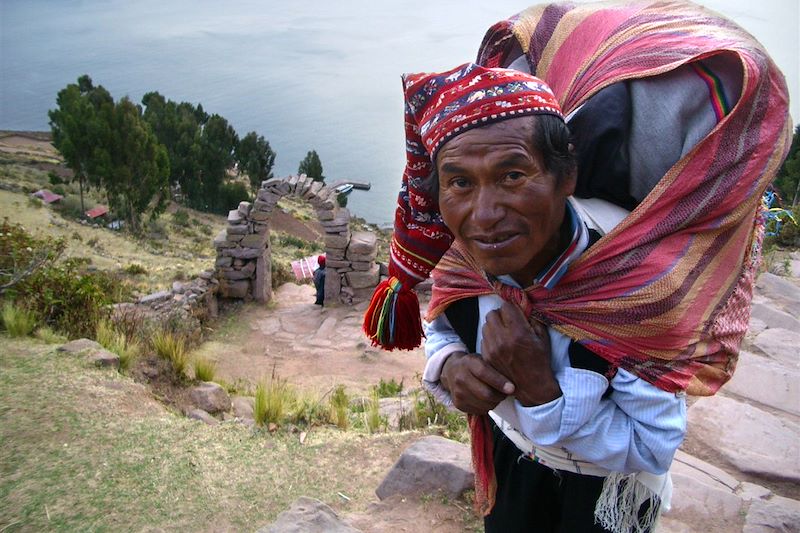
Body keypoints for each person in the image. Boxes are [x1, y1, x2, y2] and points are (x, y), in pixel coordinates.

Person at [362, 3, 790, 532]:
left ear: (566, 176)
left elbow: (650, 446)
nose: (485, 214)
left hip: (606, 494)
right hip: (509, 459)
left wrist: (541, 392)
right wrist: (448, 367)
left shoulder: (638, 282)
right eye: (460, 183)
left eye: (513, 175)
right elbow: (442, 323)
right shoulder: (464, 255)